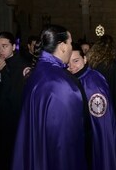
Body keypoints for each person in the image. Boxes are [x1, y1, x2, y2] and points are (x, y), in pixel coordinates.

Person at [12, 25, 87, 170]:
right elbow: (65, 143)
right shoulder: (62, 84)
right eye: (70, 43)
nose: (71, 47)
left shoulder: (37, 71)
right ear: (62, 46)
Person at [67, 42, 116, 170]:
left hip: (93, 141)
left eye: (75, 61)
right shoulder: (73, 80)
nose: (72, 66)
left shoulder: (92, 81)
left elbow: (101, 122)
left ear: (85, 59)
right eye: (68, 63)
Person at [0, 31, 29, 170]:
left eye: (4, 46)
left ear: (13, 47)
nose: (0, 50)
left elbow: (14, 95)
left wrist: (2, 72)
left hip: (14, 120)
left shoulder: (22, 66)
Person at [87, 34, 116, 121]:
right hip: (104, 101)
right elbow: (113, 88)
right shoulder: (110, 64)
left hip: (92, 98)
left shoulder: (91, 61)